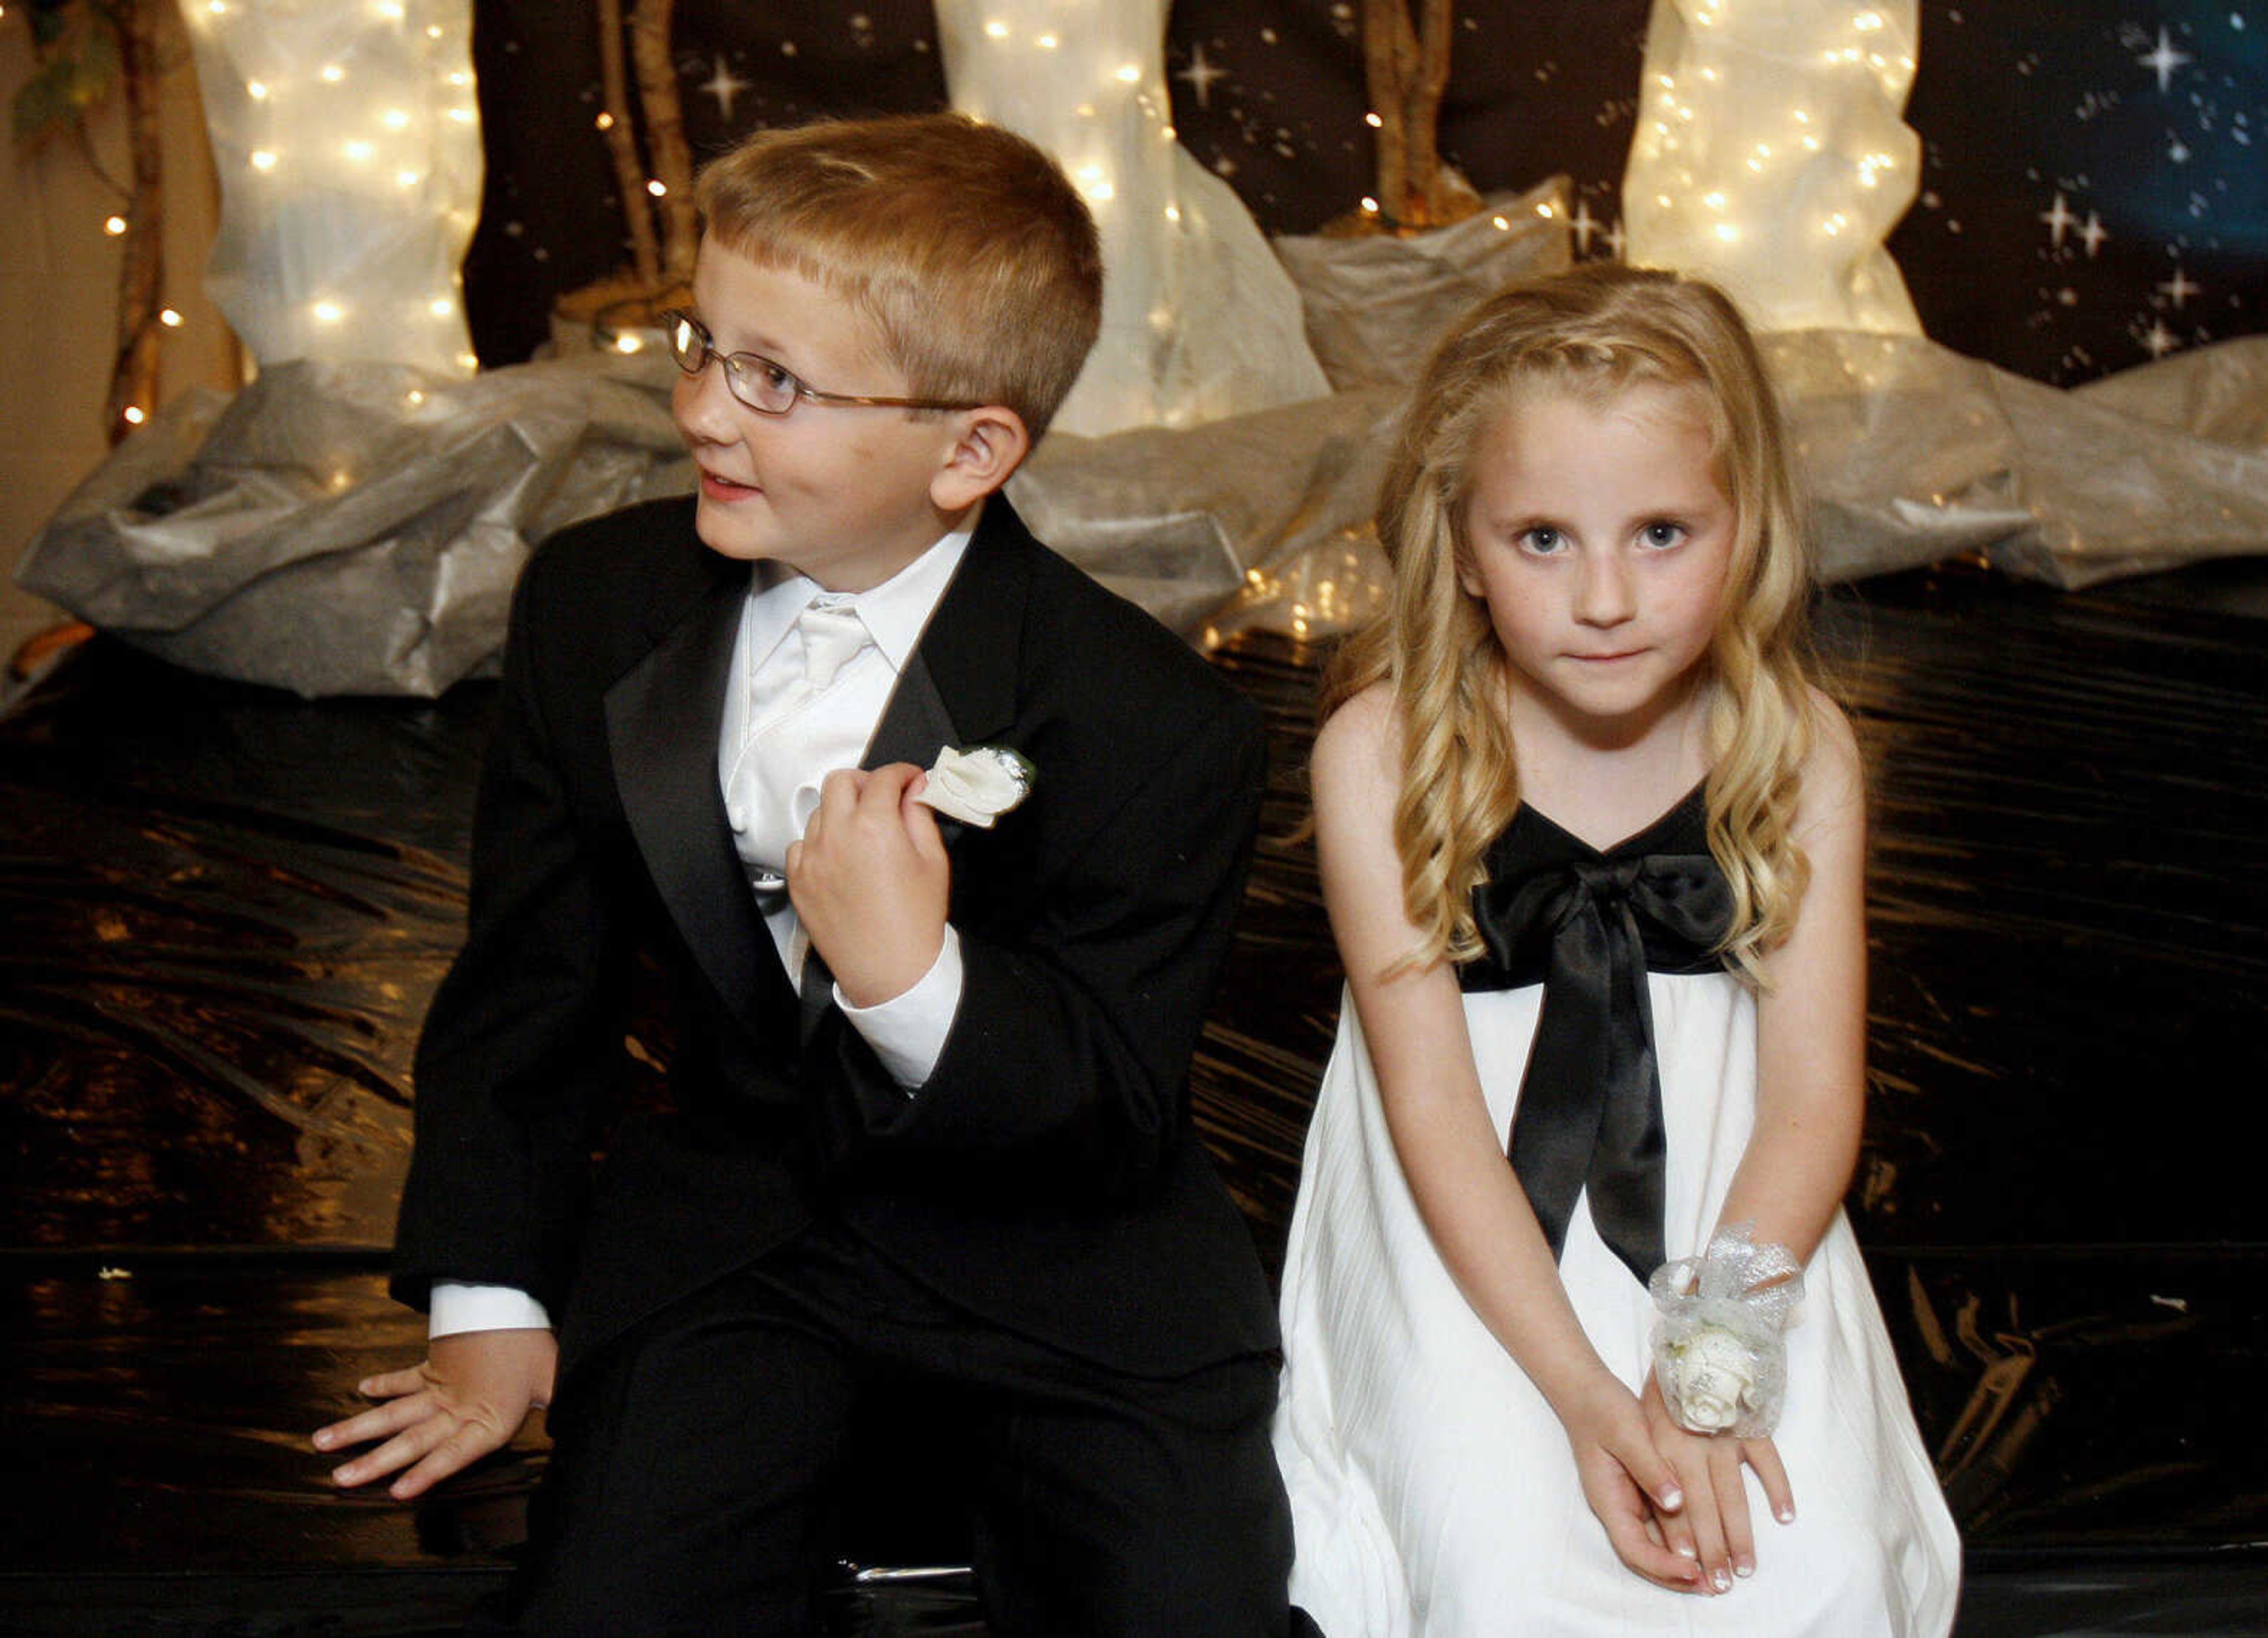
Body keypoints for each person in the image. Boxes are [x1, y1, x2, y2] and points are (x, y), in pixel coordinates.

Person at [311, 112, 1295, 1637]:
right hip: (739, 1233)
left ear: (971, 449)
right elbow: (528, 981)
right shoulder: (595, 605)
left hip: (1063, 1265)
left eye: (775, 382)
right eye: (704, 346)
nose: (705, 409)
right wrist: (489, 1301)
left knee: (1186, 1607)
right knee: (607, 1605)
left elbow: (1109, 1109)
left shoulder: (1154, 724)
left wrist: (914, 982)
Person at [1272, 265, 1960, 1635]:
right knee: (1503, 1568)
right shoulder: (1383, 753)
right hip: (1469, 1212)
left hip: (1730, 1213)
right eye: (1541, 539)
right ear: (1459, 544)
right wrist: (1590, 1398)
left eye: (1660, 532)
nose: (1604, 597)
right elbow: (1428, 1104)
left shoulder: (1798, 743)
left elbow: (1816, 1095)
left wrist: (1713, 1368)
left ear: (1745, 524)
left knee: (1800, 1570)